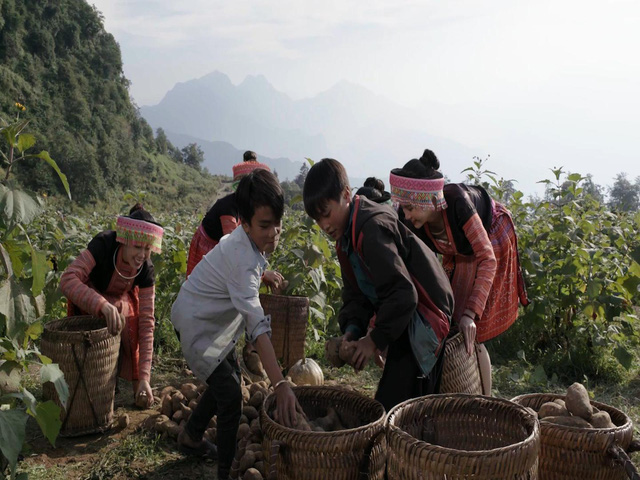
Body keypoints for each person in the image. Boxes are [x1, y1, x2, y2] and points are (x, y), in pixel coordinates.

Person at [171, 169, 299, 480]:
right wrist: (280, 384)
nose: (274, 234)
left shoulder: (243, 242)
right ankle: (225, 472)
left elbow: (234, 251)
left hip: (207, 320)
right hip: (198, 325)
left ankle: (190, 436)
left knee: (227, 379)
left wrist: (264, 273)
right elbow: (257, 325)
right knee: (230, 396)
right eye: (265, 226)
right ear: (245, 222)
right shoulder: (244, 262)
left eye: (278, 224)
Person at [303, 158, 454, 411]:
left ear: (346, 194)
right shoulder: (345, 238)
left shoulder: (371, 228)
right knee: (399, 404)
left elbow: (404, 295)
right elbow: (356, 296)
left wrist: (373, 340)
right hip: (404, 315)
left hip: (426, 316)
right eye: (317, 220)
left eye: (326, 213)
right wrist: (352, 332)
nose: (324, 225)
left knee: (399, 407)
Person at [389, 149, 529, 395]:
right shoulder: (411, 218)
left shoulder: (458, 203)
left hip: (492, 236)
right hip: (456, 250)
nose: (406, 215)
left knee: (473, 330)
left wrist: (471, 313)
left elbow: (487, 258)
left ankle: (485, 401)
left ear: (430, 200)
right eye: (404, 208)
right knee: (450, 315)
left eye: (410, 208)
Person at [59, 204, 164, 408]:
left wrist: (144, 378)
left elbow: (147, 322)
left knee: (131, 318)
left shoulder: (146, 269)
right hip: (91, 299)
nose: (142, 254)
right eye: (137, 247)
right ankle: (91, 380)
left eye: (147, 248)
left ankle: (128, 381)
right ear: (123, 240)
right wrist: (101, 305)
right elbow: (68, 279)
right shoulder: (103, 244)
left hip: (120, 301)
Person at [185, 150, 270, 276]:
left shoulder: (246, 207)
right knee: (208, 284)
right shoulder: (229, 208)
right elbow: (234, 247)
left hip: (223, 247)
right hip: (209, 247)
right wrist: (262, 274)